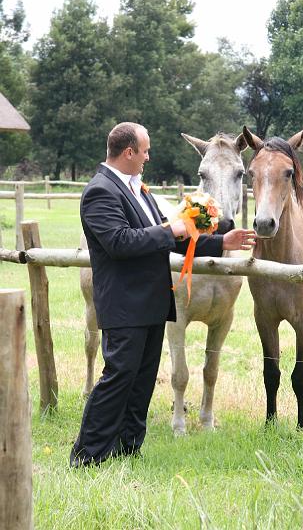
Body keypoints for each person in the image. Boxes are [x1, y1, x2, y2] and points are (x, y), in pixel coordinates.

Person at [70, 122, 256, 467]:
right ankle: (87, 456)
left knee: (141, 384)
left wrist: (220, 243)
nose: (148, 157)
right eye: (144, 151)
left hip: (152, 303)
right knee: (117, 379)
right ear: (128, 152)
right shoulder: (101, 191)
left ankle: (128, 450)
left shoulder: (139, 190)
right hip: (125, 304)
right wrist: (168, 227)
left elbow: (176, 240)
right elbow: (119, 243)